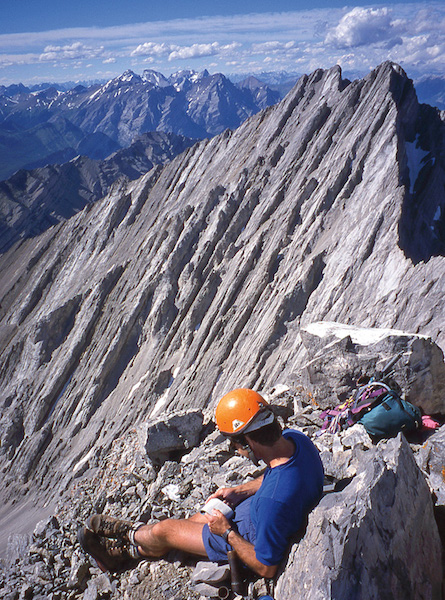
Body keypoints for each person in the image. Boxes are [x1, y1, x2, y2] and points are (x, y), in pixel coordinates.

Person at [78, 388, 324, 579]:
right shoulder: (296, 440)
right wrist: (240, 491)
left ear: (249, 441)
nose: (236, 451)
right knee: (193, 520)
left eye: (234, 444)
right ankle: (137, 546)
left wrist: (226, 532)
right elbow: (279, 477)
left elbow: (266, 566)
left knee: (166, 530)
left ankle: (128, 543)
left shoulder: (273, 502)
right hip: (265, 513)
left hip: (248, 535)